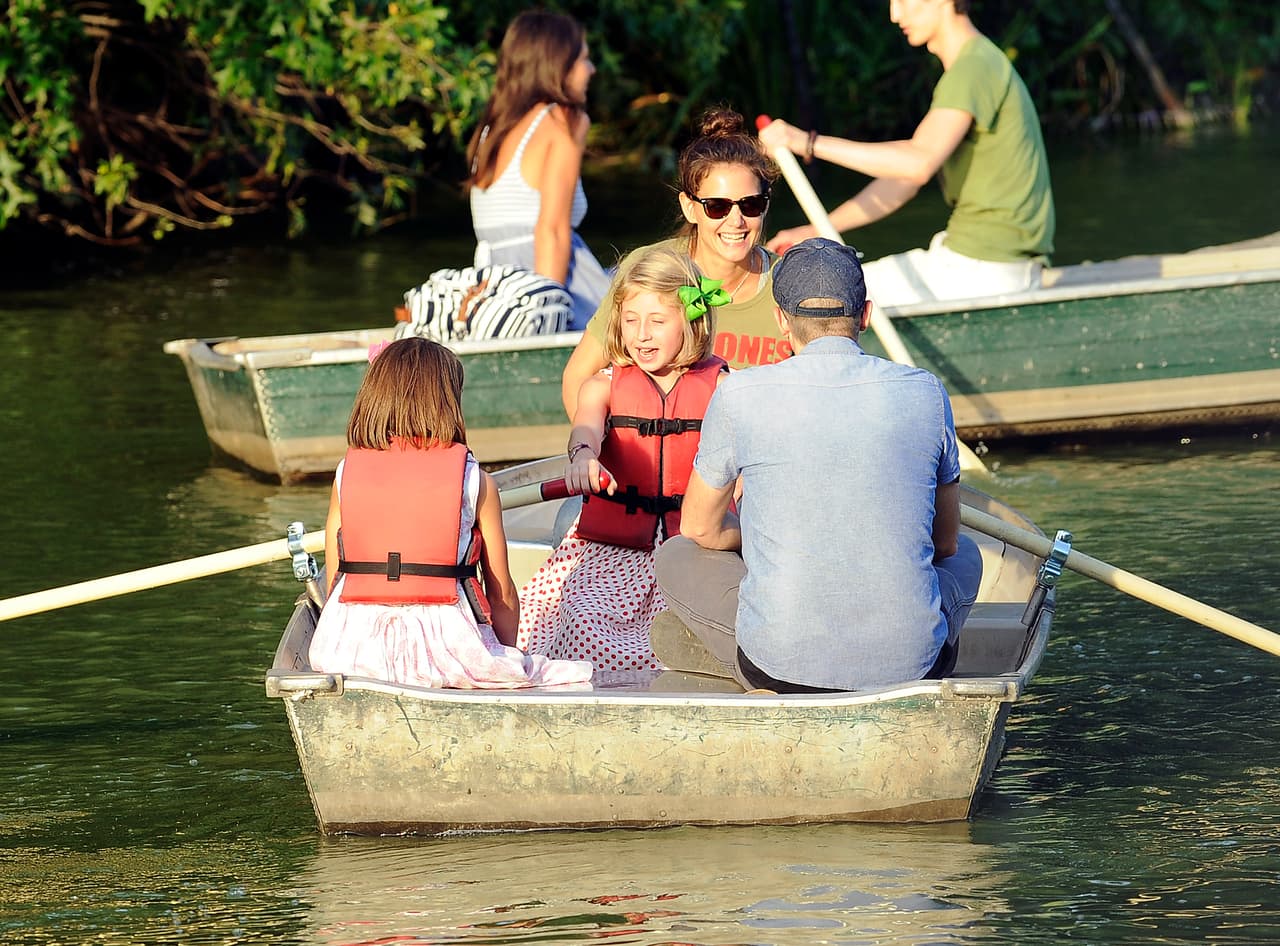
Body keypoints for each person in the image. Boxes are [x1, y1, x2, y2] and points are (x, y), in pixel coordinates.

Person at [651, 238, 984, 692]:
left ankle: (732, 654)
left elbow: (699, 527)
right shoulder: (927, 391)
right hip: (914, 669)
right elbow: (945, 542)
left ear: (780, 320)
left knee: (676, 553)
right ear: (865, 315)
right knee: (968, 553)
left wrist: (762, 538)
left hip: (780, 672)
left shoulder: (737, 394)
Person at [308, 337, 592, 689]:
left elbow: (335, 579)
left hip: (347, 652)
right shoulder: (475, 482)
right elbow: (501, 593)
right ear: (449, 402)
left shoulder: (344, 474)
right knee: (567, 675)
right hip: (446, 654)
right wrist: (507, 656)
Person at [758, 0, 1055, 307]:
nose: (894, 14)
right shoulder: (977, 62)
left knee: (814, 297)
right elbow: (903, 181)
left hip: (985, 269)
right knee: (830, 288)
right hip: (987, 265)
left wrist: (808, 143)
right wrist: (817, 230)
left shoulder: (973, 67)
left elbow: (919, 163)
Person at [518, 246, 729, 671]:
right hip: (613, 551)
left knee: (685, 627)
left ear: (691, 321)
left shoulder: (725, 388)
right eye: (631, 321)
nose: (641, 335)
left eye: (657, 321)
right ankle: (591, 684)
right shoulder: (603, 385)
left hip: (690, 548)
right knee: (579, 615)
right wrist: (583, 457)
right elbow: (585, 430)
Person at [559, 107, 782, 416]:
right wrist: (591, 442)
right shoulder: (645, 269)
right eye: (717, 207)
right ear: (690, 208)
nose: (736, 220)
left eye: (751, 205)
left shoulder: (790, 282)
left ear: (765, 206)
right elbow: (577, 377)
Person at [466, 10, 611, 330]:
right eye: (583, 59)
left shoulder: (492, 128)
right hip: (548, 280)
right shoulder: (564, 120)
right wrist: (546, 314)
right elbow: (552, 231)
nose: (591, 69)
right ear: (557, 64)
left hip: (494, 286)